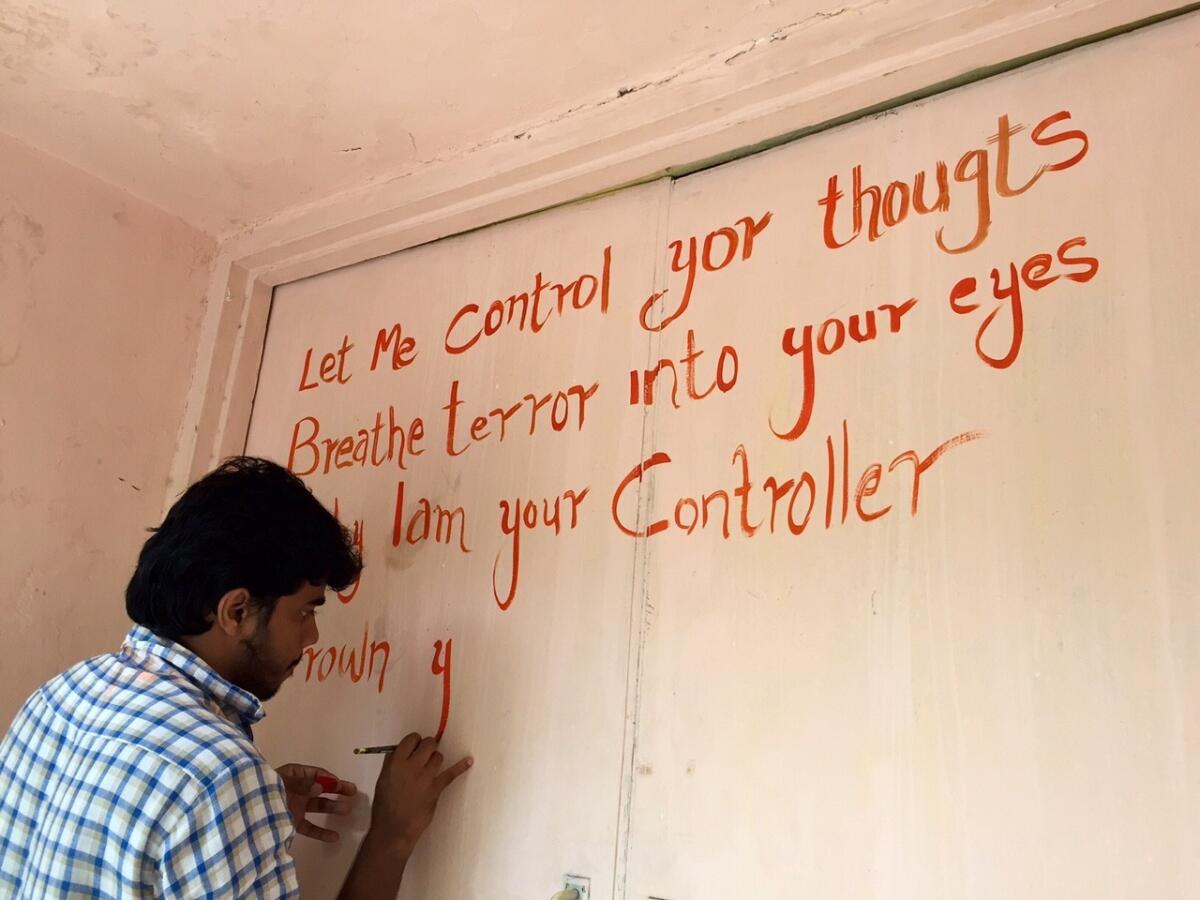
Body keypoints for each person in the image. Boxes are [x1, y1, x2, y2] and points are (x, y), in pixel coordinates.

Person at [0, 456, 470, 899]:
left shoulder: (64, 693)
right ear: (237, 610)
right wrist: (392, 835)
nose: (313, 635)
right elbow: (202, 784)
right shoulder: (220, 777)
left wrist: (244, 813)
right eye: (305, 610)